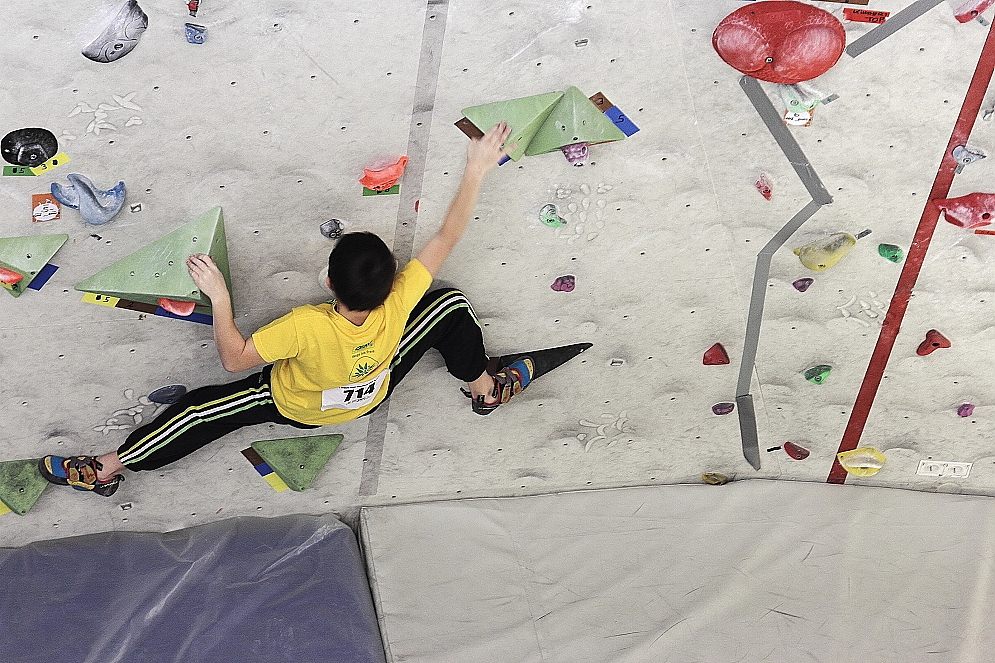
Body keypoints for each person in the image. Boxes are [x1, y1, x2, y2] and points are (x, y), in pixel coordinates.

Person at [39, 122, 534, 497]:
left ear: (329, 283)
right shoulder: (400, 300)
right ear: (390, 284)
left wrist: (220, 295)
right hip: (372, 390)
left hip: (296, 406)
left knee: (199, 412)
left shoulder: (304, 326)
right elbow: (447, 235)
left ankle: (109, 466)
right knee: (447, 304)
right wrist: (475, 168)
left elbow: (234, 359)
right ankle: (484, 387)